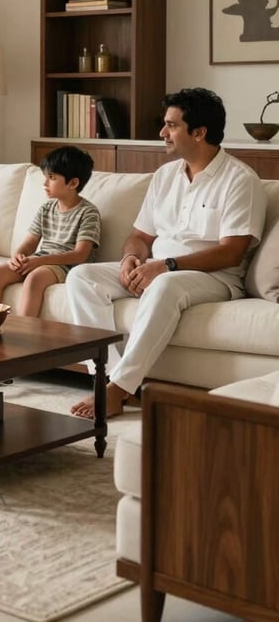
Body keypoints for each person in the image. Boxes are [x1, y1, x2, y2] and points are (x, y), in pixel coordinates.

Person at [68, 88, 267, 420]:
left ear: (199, 133)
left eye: (171, 126)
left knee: (164, 286)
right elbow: (140, 235)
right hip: (157, 266)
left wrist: (167, 266)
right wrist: (131, 258)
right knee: (81, 277)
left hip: (213, 278)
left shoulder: (240, 180)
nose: (162, 134)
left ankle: (118, 389)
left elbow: (231, 253)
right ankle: (109, 379)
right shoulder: (164, 176)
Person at [0, 145, 100, 316]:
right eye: (45, 177)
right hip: (40, 259)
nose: (45, 183)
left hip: (67, 266)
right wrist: (18, 256)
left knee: (35, 278)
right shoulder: (46, 209)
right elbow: (29, 244)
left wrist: (40, 261)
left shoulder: (88, 212)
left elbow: (80, 255)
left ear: (73, 183)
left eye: (51, 178)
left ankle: (24, 334)